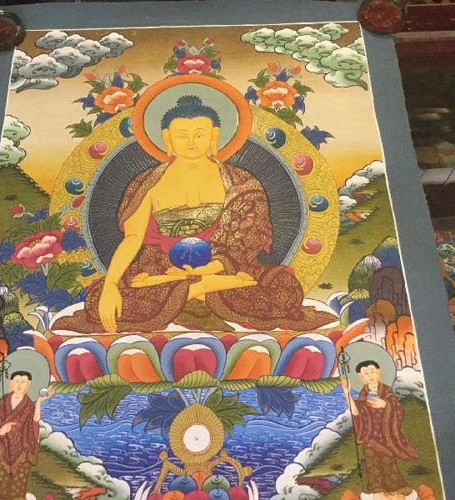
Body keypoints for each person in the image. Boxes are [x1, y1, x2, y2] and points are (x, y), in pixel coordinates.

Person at [55, 95, 335, 333]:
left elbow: (245, 242)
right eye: (182, 135)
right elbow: (132, 239)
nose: (191, 142)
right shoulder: (148, 184)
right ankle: (199, 291)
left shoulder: (240, 182)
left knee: (285, 289)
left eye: (200, 134)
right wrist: (111, 284)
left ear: (215, 135)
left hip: (223, 267)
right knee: (99, 298)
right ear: (167, 138)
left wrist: (209, 270)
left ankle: (189, 291)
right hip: (161, 268)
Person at [341, 360, 418, 499]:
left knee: (388, 464)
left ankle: (395, 491)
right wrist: (347, 392)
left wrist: (385, 404)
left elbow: (398, 410)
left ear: (379, 372)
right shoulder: (363, 396)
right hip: (370, 438)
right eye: (366, 373)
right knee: (373, 465)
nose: (370, 375)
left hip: (386, 437)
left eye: (372, 371)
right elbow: (355, 411)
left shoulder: (387, 392)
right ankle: (378, 493)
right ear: (360, 376)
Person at [0, 371, 50, 500]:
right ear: (11, 383)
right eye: (17, 381)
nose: (19, 385)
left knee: (19, 481)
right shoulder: (4, 401)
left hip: (23, 448)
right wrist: (1, 429)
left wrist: (39, 402)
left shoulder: (28, 404)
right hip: (5, 446)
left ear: (29, 385)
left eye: (23, 382)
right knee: (3, 478)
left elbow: (34, 421)